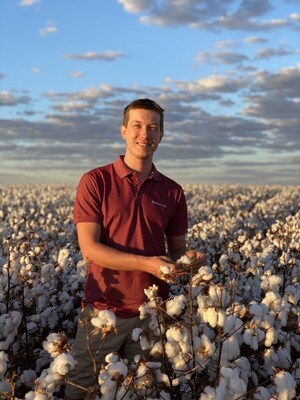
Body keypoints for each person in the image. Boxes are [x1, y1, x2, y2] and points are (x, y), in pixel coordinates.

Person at [64, 98, 206, 399]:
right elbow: (90, 250)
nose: (146, 134)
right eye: (138, 126)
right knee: (81, 388)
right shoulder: (96, 181)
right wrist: (148, 264)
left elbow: (177, 249)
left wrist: (188, 261)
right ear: (124, 131)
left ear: (162, 136)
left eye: (154, 127)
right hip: (103, 310)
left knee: (142, 390)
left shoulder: (172, 191)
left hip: (152, 311)